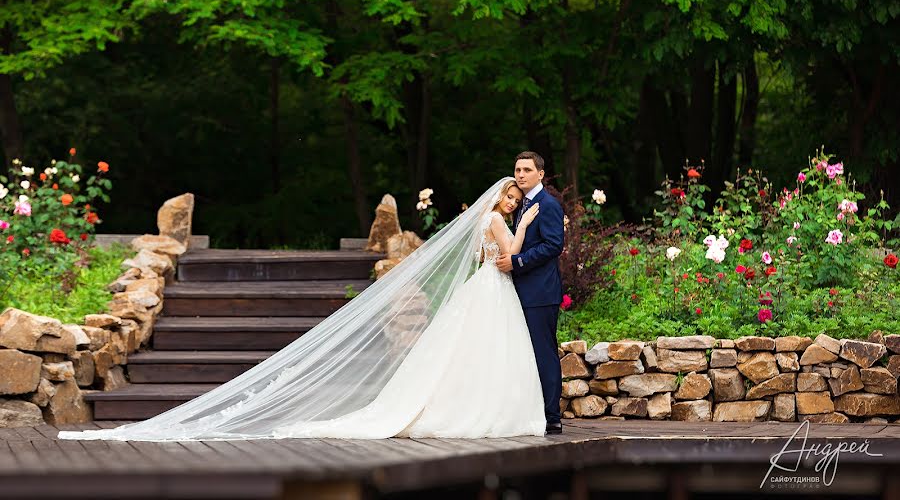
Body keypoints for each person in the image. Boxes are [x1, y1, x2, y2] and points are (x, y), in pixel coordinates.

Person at [59, 176, 549, 441]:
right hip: (493, 287)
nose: (512, 200)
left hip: (482, 290)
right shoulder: (500, 221)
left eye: (514, 196)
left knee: (470, 354)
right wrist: (525, 227)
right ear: (501, 197)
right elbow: (506, 259)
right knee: (486, 354)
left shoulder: (485, 218)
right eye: (509, 194)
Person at [497, 151, 565, 434]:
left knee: (544, 352)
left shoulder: (547, 204)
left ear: (540, 173)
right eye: (517, 169)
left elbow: (553, 245)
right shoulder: (520, 205)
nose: (521, 174)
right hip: (518, 291)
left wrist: (517, 261)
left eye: (526, 169)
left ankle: (552, 417)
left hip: (540, 293)